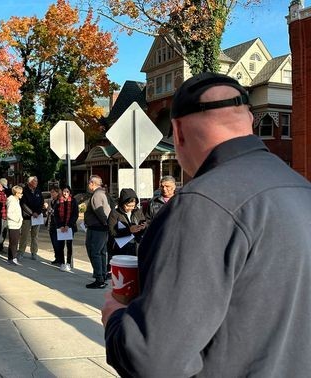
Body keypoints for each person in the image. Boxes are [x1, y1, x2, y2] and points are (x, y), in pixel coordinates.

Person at [102, 72, 311, 377]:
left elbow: (152, 359)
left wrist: (115, 318)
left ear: (178, 132)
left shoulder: (202, 203)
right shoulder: (301, 189)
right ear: (249, 121)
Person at [83, 175, 111, 288]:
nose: (88, 185)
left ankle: (99, 279)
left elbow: (100, 212)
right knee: (101, 252)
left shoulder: (97, 195)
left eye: (89, 183)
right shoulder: (103, 194)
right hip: (101, 228)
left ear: (92, 184)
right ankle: (102, 276)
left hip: (97, 229)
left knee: (94, 252)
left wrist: (105, 223)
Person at [107, 188, 146, 259]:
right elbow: (112, 232)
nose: (130, 208)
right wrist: (129, 230)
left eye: (133, 206)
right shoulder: (115, 213)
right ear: (122, 203)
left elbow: (144, 224)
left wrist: (143, 227)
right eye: (128, 206)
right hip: (120, 249)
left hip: (136, 247)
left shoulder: (137, 212)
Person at [18, 176, 44, 260]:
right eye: (34, 181)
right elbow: (23, 204)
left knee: (35, 236)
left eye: (36, 181)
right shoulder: (24, 191)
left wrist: (38, 212)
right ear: (30, 182)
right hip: (27, 217)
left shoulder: (38, 191)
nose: (36, 182)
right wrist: (31, 213)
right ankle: (21, 252)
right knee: (24, 235)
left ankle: (34, 252)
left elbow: (41, 203)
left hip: (37, 217)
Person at [53, 186, 79, 272]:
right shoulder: (58, 201)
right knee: (60, 246)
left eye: (67, 192)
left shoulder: (73, 201)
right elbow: (56, 215)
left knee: (69, 245)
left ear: (70, 192)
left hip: (70, 227)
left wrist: (69, 225)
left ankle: (68, 263)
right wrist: (60, 225)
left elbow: (75, 214)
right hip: (61, 227)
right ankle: (62, 262)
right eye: (64, 191)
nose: (65, 193)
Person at [6, 185, 24, 266]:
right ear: (16, 193)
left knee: (13, 242)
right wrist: (17, 220)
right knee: (14, 242)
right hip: (13, 224)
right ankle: (13, 258)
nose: (21, 194)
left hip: (16, 224)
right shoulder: (12, 201)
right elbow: (9, 213)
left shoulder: (16, 200)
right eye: (20, 193)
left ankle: (10, 258)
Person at [44, 186, 62, 266]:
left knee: (57, 243)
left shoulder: (59, 201)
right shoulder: (52, 201)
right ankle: (57, 258)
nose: (51, 194)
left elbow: (55, 213)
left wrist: (48, 208)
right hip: (51, 224)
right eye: (51, 192)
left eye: (53, 192)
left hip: (57, 225)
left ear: (57, 193)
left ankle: (60, 259)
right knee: (54, 243)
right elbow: (49, 214)